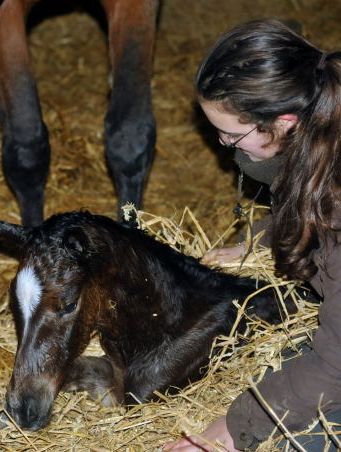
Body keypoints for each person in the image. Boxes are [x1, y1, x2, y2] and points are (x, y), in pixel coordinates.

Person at [164, 19, 341, 451]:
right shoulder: (322, 136)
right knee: (265, 365)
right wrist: (255, 244)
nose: (224, 144)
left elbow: (336, 364)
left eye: (232, 134)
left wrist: (237, 426)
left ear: (283, 122)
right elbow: (305, 202)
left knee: (295, 439)